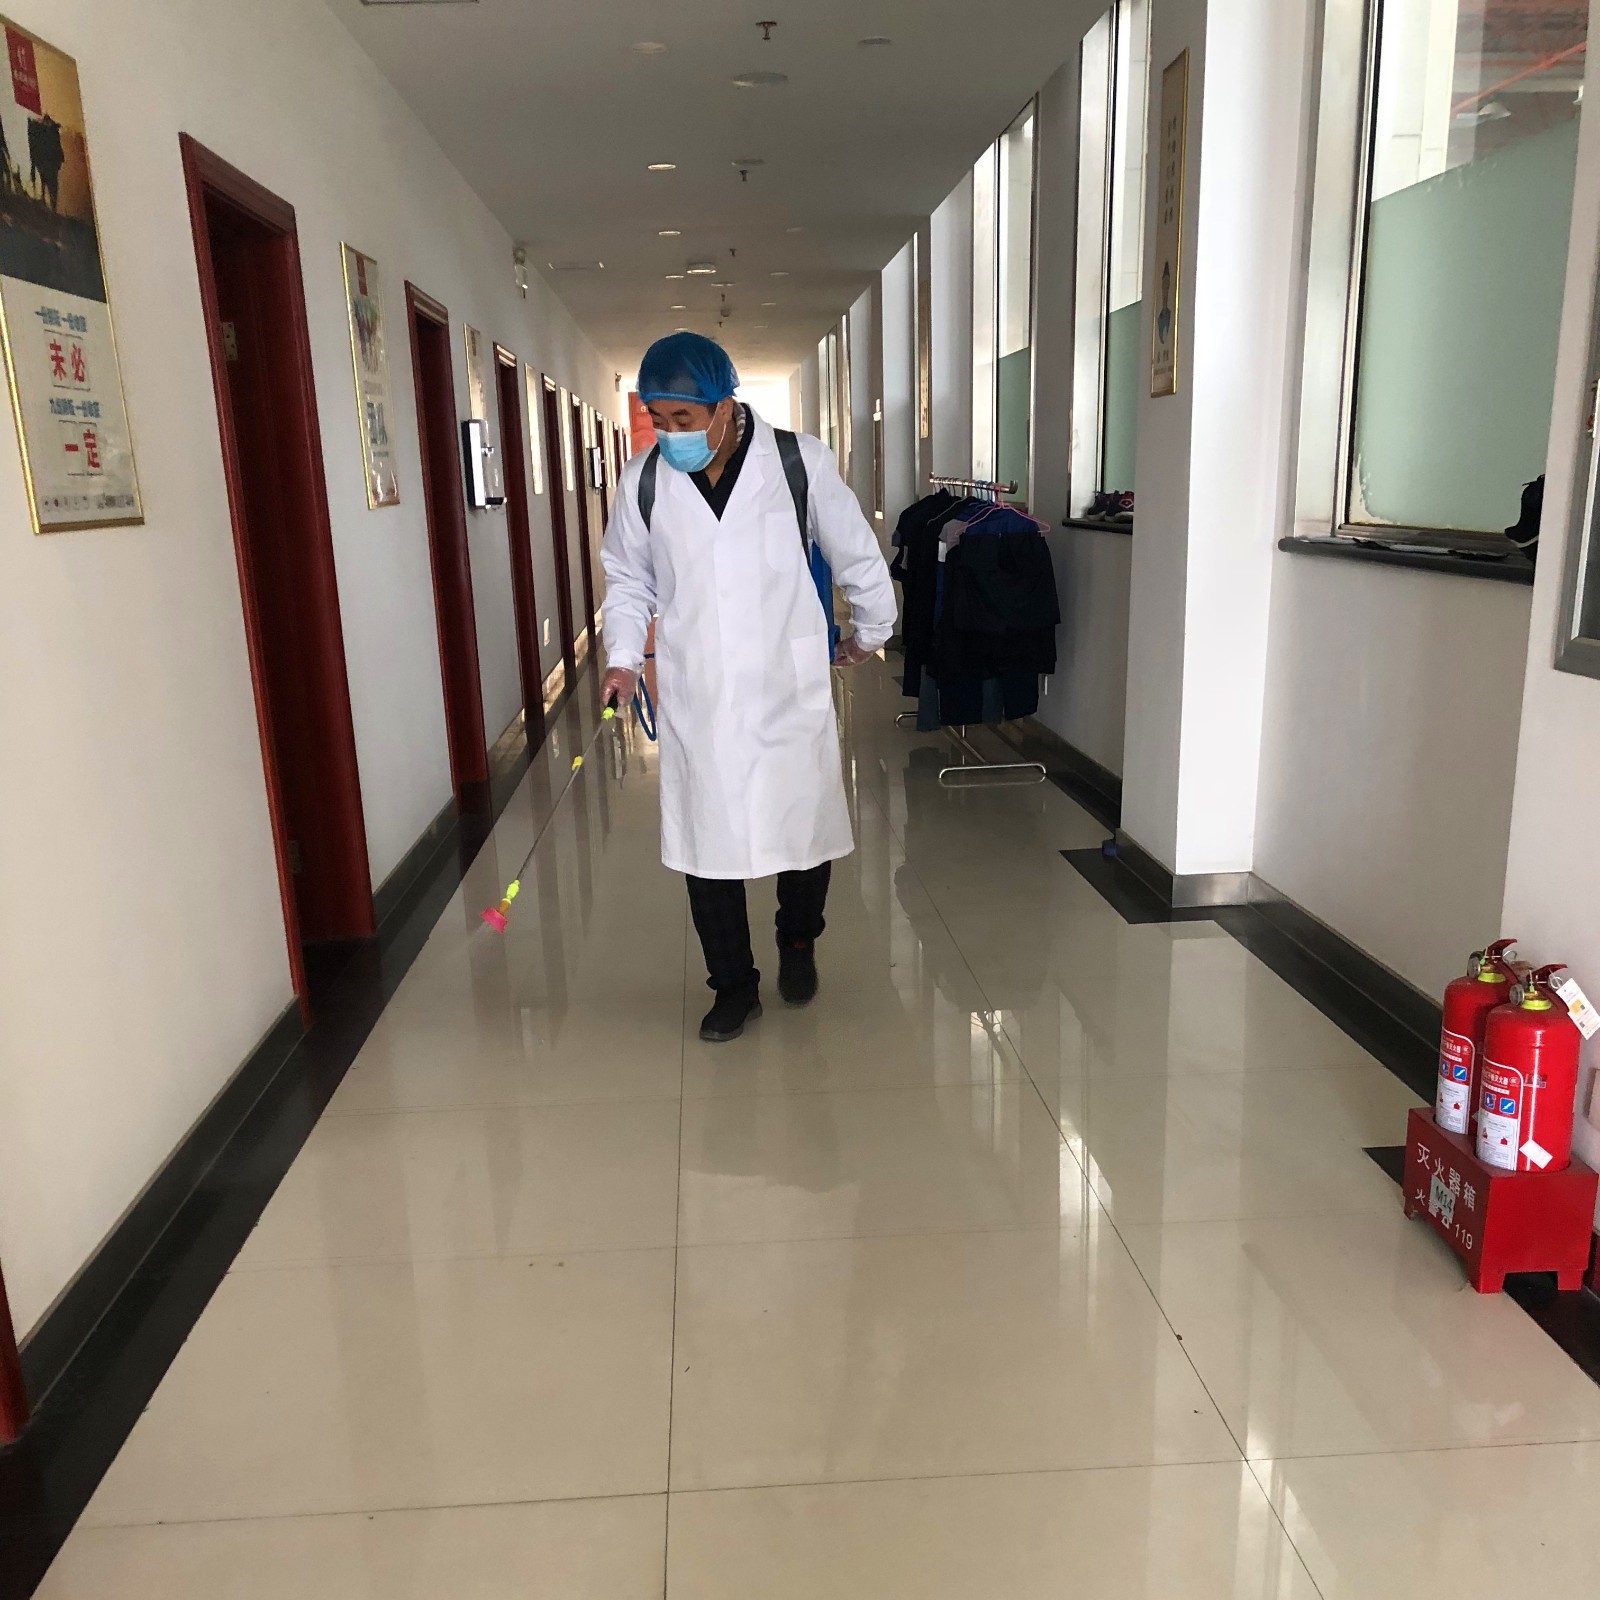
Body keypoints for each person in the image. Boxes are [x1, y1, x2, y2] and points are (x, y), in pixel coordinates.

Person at [600, 332, 896, 1042]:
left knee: (804, 834)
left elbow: (856, 554)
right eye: (658, 420)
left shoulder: (798, 462)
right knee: (708, 845)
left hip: (785, 685)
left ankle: (798, 941)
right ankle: (733, 986)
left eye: (684, 418)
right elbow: (628, 579)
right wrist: (621, 658)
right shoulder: (643, 481)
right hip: (698, 690)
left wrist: (871, 630)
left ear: (725, 407)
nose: (670, 434)